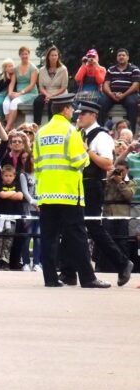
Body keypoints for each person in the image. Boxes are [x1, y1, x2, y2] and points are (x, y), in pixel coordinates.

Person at [33, 93, 110, 288]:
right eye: (71, 109)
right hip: (68, 193)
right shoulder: (70, 132)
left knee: (49, 236)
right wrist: (86, 155)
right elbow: (79, 162)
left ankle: (50, 278)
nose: (73, 112)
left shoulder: (41, 132)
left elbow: (37, 165)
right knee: (77, 236)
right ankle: (88, 278)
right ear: (65, 109)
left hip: (46, 193)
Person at [59, 100, 133, 286]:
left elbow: (108, 164)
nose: (79, 117)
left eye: (83, 114)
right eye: (78, 114)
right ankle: (68, 271)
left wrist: (88, 151)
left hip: (92, 187)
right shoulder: (80, 133)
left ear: (93, 115)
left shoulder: (102, 137)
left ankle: (122, 263)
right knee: (73, 228)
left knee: (92, 228)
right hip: (79, 186)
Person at [98, 48, 140, 133]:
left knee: (132, 104)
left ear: (127, 57)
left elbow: (135, 85)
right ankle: (100, 130)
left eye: (123, 55)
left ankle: (130, 132)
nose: (121, 57)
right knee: (101, 102)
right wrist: (110, 94)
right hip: (112, 94)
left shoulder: (134, 69)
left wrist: (123, 95)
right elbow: (106, 84)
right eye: (119, 55)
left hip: (129, 94)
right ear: (117, 58)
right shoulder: (111, 69)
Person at [0, 165, 24, 270]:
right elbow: (1, 195)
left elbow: (20, 196)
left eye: (10, 175)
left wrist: (9, 194)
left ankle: (5, 262)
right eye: (6, 175)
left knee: (8, 241)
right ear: (2, 176)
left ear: (14, 176)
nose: (8, 178)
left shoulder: (17, 185)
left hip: (12, 218)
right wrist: (13, 193)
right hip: (0, 218)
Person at [3, 46, 39, 130]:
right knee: (5, 103)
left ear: (29, 55)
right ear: (20, 55)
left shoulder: (33, 68)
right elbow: (12, 83)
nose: (24, 56)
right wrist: (10, 93)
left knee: (14, 103)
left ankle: (7, 128)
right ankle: (11, 128)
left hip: (30, 93)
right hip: (17, 93)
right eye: (22, 54)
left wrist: (20, 93)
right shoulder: (16, 69)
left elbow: (32, 85)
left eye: (26, 54)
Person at [33, 46, 68, 125]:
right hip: (46, 92)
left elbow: (64, 87)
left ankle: (51, 125)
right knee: (37, 102)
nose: (54, 57)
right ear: (48, 57)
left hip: (59, 93)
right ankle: (36, 125)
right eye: (52, 55)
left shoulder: (63, 69)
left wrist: (51, 96)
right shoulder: (42, 70)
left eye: (56, 55)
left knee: (52, 103)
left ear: (58, 56)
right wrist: (47, 95)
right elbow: (41, 87)